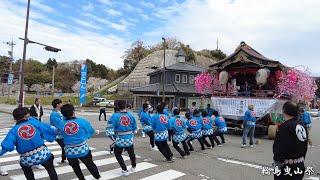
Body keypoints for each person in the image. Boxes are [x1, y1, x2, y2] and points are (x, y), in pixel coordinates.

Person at [0, 107, 58, 180]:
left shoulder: (13, 130)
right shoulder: (34, 122)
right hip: (42, 153)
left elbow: (8, 146)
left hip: (26, 158)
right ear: (26, 116)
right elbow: (48, 129)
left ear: (14, 118)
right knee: (51, 169)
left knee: (27, 171)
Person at [60, 104, 101, 180]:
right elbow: (91, 131)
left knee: (75, 167)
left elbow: (59, 134)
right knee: (90, 164)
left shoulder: (61, 124)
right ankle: (97, 176)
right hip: (82, 149)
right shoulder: (82, 121)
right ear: (73, 111)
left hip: (69, 151)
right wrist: (96, 132)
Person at [273, 101, 308, 180]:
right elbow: (305, 146)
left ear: (285, 111)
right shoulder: (302, 126)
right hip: (299, 164)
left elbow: (280, 147)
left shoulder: (284, 126)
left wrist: (277, 163)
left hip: (286, 167)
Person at [112, 100, 137, 176]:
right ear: (126, 106)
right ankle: (133, 166)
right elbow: (135, 127)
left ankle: (124, 169)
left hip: (120, 138)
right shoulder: (131, 115)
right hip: (129, 138)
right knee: (131, 153)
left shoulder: (116, 116)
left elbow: (114, 128)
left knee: (117, 153)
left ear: (118, 107)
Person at [50, 99, 67, 165]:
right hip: (57, 133)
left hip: (62, 133)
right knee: (64, 145)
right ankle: (62, 159)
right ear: (57, 105)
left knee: (64, 146)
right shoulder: (54, 114)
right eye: (61, 103)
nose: (61, 105)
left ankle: (64, 159)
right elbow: (58, 124)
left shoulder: (60, 112)